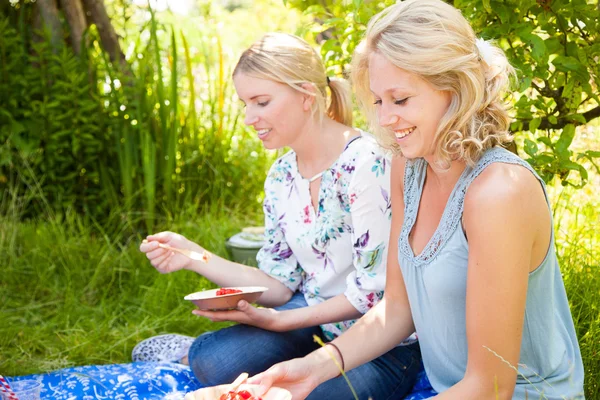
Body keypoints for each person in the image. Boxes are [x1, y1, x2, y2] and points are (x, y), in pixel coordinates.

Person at [247, 1, 585, 399]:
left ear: (455, 89)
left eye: (401, 100)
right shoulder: (407, 169)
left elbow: (491, 387)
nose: (386, 119)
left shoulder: (500, 192)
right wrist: (312, 368)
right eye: (378, 101)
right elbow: (397, 310)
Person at [137, 33, 421, 399]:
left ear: (305, 96)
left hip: (382, 342)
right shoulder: (282, 175)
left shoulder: (367, 164)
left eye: (261, 102)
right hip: (314, 320)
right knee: (212, 359)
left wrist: (282, 320)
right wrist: (194, 257)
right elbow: (279, 283)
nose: (248, 117)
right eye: (244, 104)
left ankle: (296, 367)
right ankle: (261, 359)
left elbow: (375, 297)